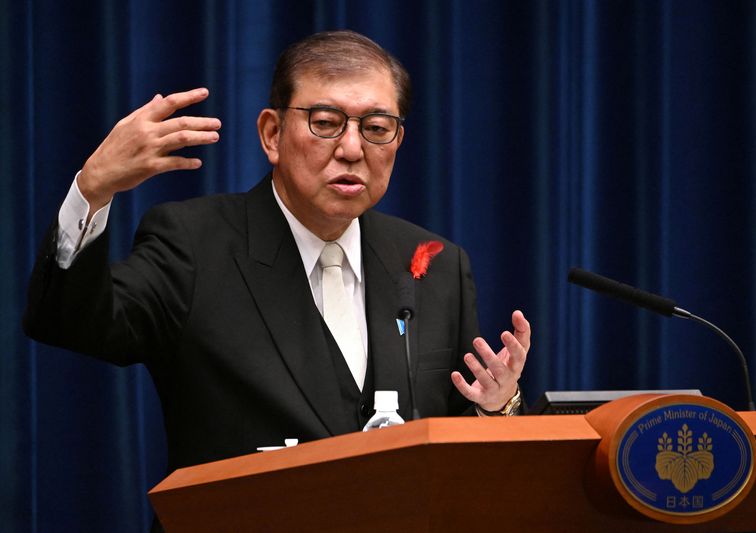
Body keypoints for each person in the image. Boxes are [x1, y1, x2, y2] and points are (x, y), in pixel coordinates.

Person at [24, 31, 529, 475]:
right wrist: (92, 191)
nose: (353, 148)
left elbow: (466, 449)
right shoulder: (194, 243)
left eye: (376, 128)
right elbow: (73, 324)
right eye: (326, 122)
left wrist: (498, 407)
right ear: (272, 133)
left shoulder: (433, 263)